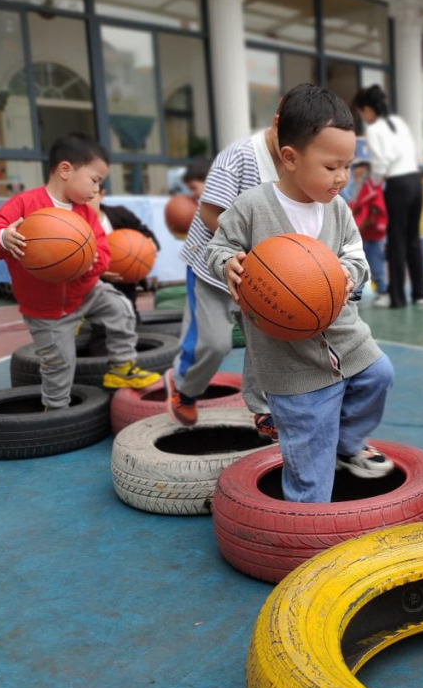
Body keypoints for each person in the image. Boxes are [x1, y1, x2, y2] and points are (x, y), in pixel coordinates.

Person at [208, 83, 395, 503]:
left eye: (348, 166)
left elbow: (358, 258)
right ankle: (305, 534)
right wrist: (228, 264)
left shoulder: (339, 208)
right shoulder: (254, 206)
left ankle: (347, 446)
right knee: (311, 450)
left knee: (379, 375)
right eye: (332, 167)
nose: (343, 178)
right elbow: (217, 247)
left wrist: (347, 275)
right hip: (286, 354)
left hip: (345, 333)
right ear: (290, 158)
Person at [0, 133, 160, 409]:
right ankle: (57, 411)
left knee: (120, 307)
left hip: (85, 291)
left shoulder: (84, 212)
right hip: (45, 308)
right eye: (95, 180)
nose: (97, 190)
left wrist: (88, 262)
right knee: (60, 363)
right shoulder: (24, 205)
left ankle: (121, 366)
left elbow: (103, 252)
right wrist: (2, 238)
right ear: (65, 170)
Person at [165, 112, 282, 436]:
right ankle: (185, 386)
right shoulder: (239, 157)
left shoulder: (299, 162)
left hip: (262, 273)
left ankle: (263, 408)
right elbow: (208, 212)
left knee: (270, 341)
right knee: (214, 343)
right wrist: (249, 248)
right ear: (276, 122)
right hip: (213, 266)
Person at [352, 85, 423, 309]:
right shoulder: (398, 123)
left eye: (361, 112)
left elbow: (382, 162)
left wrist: (371, 183)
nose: (362, 117)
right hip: (415, 182)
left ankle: (397, 297)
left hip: (397, 185)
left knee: (396, 240)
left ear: (366, 109)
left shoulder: (374, 130)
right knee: (413, 239)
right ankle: (419, 293)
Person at [87, 185, 161, 315]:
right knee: (100, 323)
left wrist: (150, 246)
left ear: (101, 194)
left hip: (125, 281)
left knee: (130, 316)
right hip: (93, 284)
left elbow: (148, 235)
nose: (84, 201)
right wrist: (98, 271)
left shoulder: (121, 214)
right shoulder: (76, 225)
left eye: (89, 196)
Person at [349, 160, 388, 301]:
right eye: (356, 174)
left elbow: (375, 210)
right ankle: (356, 292)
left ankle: (383, 291)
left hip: (371, 235)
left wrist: (363, 224)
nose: (358, 177)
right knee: (357, 264)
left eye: (362, 174)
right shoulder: (357, 190)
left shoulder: (371, 189)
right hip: (361, 234)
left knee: (375, 264)